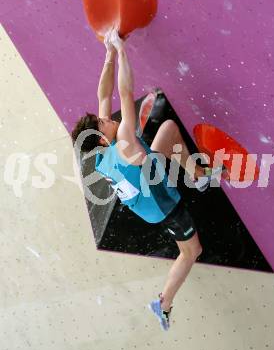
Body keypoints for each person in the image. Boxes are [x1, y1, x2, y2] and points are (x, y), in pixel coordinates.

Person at [71, 26, 221, 331]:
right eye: (102, 122)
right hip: (162, 206)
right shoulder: (123, 138)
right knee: (192, 251)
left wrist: (109, 54)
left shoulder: (102, 151)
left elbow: (105, 93)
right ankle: (163, 303)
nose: (106, 117)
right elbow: (125, 93)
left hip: (144, 188)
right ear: (101, 138)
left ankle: (200, 175)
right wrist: (123, 49)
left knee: (167, 132)